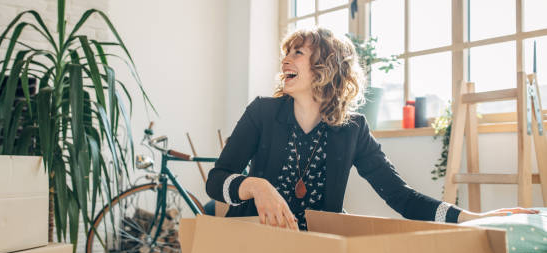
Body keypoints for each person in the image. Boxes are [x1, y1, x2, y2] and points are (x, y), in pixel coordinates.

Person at [206, 27, 537, 230]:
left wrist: (472, 218)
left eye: (298, 52)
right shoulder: (262, 112)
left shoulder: (353, 130)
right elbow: (216, 180)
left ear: (326, 66)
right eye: (286, 53)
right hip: (253, 242)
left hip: (317, 250)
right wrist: (255, 186)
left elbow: (399, 196)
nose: (285, 60)